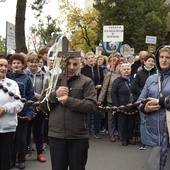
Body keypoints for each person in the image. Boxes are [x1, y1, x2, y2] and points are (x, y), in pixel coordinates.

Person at [40, 55, 97, 170]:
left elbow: (91, 106)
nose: (71, 67)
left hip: (78, 135)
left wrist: (68, 101)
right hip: (56, 134)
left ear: (80, 65)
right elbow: (43, 106)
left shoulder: (86, 82)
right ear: (62, 65)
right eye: (68, 64)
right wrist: (55, 95)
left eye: (75, 64)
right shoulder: (53, 81)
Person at [137, 46, 170, 170]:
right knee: (153, 165)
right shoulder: (151, 79)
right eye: (161, 57)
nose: (164, 60)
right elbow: (139, 101)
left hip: (168, 128)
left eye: (167, 57)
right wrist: (145, 108)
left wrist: (159, 101)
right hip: (152, 129)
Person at [7, 53, 35, 169]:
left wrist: (29, 112)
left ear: (23, 65)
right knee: (11, 139)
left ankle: (22, 159)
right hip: (9, 113)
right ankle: (12, 159)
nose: (16, 65)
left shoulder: (26, 79)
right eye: (14, 63)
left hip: (22, 114)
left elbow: (30, 97)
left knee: (22, 138)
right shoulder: (7, 77)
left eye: (18, 63)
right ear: (11, 65)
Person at [0, 56, 24, 170]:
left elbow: (19, 104)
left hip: (7, 128)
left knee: (5, 160)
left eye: (5, 66)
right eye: (0, 65)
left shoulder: (12, 84)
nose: (3, 68)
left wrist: (5, 108)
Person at [24, 53, 48, 162]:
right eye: (31, 62)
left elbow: (46, 90)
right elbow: (23, 91)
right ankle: (22, 153)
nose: (33, 64)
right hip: (27, 107)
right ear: (27, 63)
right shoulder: (24, 74)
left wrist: (40, 102)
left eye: (35, 62)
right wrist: (34, 95)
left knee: (39, 131)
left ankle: (39, 153)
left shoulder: (44, 75)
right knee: (26, 131)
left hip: (39, 107)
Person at [133, 54, 156, 150]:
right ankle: (143, 141)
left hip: (154, 100)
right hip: (142, 100)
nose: (151, 63)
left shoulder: (157, 73)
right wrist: (143, 93)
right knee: (143, 121)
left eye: (152, 61)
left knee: (154, 121)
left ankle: (153, 140)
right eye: (149, 61)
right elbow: (134, 86)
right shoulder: (139, 74)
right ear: (145, 62)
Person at [111, 63, 138, 146]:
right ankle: (124, 139)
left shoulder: (133, 80)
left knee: (131, 123)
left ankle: (130, 138)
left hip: (132, 105)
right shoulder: (117, 81)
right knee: (123, 123)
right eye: (124, 69)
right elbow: (113, 93)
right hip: (122, 106)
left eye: (128, 69)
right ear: (121, 71)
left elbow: (137, 91)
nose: (126, 71)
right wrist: (117, 105)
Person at [98, 57, 123, 142]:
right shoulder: (110, 74)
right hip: (110, 99)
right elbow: (104, 87)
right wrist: (100, 99)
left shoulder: (123, 75)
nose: (121, 67)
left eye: (122, 66)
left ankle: (120, 134)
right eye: (119, 66)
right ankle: (111, 134)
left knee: (120, 118)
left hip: (120, 100)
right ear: (116, 66)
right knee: (111, 118)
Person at [81, 52, 104, 139]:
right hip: (87, 93)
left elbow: (102, 80)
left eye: (92, 57)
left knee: (97, 113)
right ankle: (88, 131)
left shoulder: (99, 69)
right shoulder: (83, 70)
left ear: (95, 59)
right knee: (88, 113)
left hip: (97, 93)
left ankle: (97, 131)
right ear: (86, 60)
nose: (91, 59)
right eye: (89, 58)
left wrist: (100, 85)